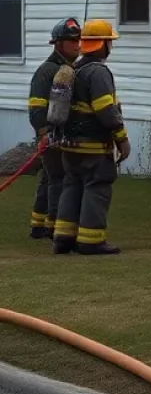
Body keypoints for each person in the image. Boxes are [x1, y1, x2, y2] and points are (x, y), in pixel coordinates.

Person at [53, 19, 131, 256]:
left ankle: (63, 238)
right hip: (94, 147)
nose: (111, 48)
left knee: (72, 187)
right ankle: (91, 240)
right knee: (97, 186)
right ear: (103, 44)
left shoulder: (73, 69)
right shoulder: (98, 72)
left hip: (70, 146)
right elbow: (106, 110)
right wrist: (122, 139)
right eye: (110, 43)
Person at [27, 18, 82, 239]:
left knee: (49, 178)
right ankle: (55, 226)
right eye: (72, 41)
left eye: (79, 40)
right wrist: (43, 133)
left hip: (59, 133)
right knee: (59, 177)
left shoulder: (68, 69)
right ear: (58, 44)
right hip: (51, 134)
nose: (77, 44)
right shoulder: (48, 71)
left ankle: (38, 225)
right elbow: (37, 107)